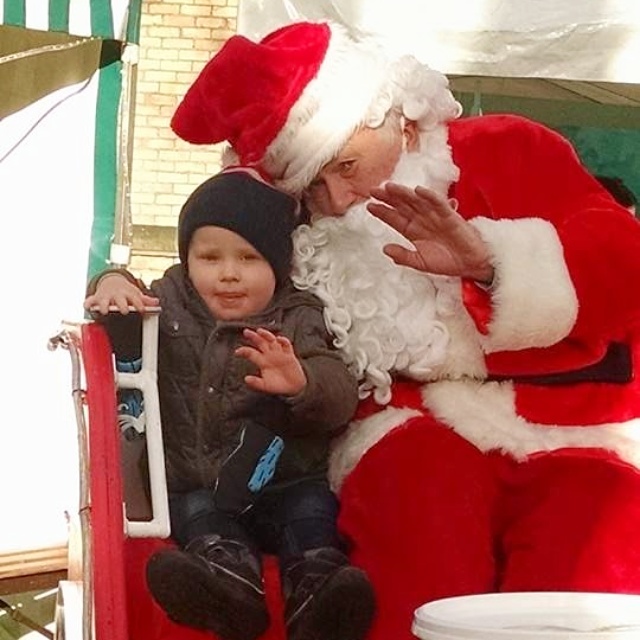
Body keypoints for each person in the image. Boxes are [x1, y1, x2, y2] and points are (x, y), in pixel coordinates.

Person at [168, 20, 640, 640]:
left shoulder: (505, 147)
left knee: (588, 540)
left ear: (400, 121)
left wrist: (491, 264)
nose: (339, 198)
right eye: (314, 184)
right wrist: (116, 282)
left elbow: (626, 267)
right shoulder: (298, 227)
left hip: (565, 423)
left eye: (346, 165)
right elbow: (212, 282)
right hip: (403, 423)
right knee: (415, 504)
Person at [83, 167, 375, 640]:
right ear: (187, 260)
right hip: (203, 485)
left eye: (249, 258)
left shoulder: (297, 316)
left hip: (284, 481)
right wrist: (111, 280)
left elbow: (338, 392)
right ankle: (229, 591)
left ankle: (318, 597)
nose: (229, 273)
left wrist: (300, 381)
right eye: (209, 257)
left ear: (278, 265)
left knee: (311, 514)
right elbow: (122, 305)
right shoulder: (169, 305)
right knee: (200, 516)